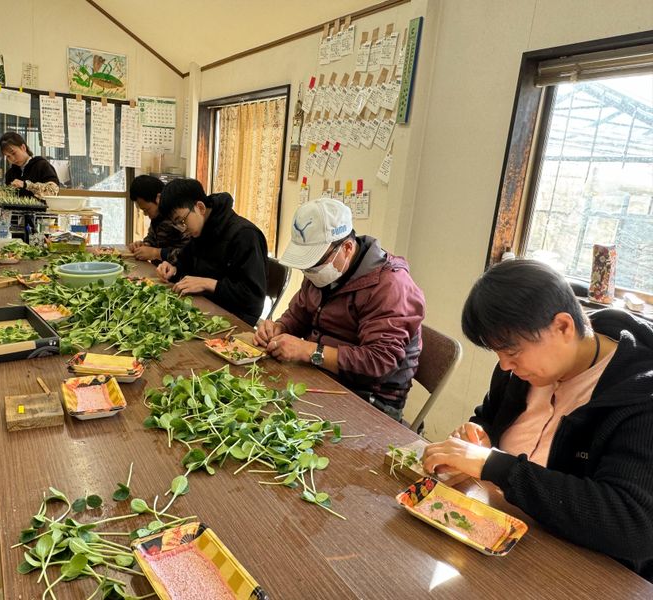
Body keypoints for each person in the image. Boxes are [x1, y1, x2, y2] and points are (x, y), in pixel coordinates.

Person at [422, 259, 653, 581]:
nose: (504, 366)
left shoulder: (640, 398)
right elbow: (489, 418)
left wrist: (493, 465)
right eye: (498, 354)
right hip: (499, 537)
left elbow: (633, 525)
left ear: (563, 326)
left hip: (584, 573)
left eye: (512, 354)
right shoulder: (522, 371)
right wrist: (479, 433)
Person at [253, 198, 425, 421]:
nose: (309, 272)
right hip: (320, 375)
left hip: (370, 399)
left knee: (273, 419)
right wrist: (279, 328)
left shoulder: (390, 286)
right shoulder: (322, 274)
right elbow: (299, 313)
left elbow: (378, 362)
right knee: (255, 399)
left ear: (346, 247)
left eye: (315, 263)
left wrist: (309, 351)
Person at [155, 178, 267, 326]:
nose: (182, 229)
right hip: (203, 307)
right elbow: (186, 266)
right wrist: (173, 270)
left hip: (234, 320)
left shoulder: (244, 235)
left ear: (200, 207)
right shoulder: (200, 230)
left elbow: (252, 298)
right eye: (176, 224)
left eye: (182, 221)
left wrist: (208, 284)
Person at [127, 174, 190, 264]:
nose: (145, 214)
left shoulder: (177, 217)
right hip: (158, 270)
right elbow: (152, 238)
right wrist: (144, 245)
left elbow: (190, 255)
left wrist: (156, 253)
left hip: (177, 274)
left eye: (147, 210)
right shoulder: (157, 216)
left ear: (158, 198)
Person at [0, 132, 60, 198]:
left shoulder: (42, 165)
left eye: (14, 153)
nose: (12, 159)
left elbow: (53, 191)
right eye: (8, 156)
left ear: (23, 147)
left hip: (42, 208)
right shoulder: (10, 173)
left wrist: (27, 185)